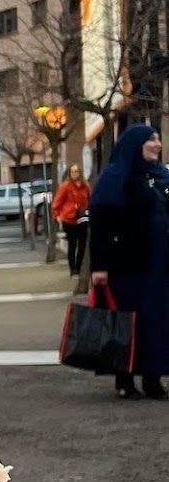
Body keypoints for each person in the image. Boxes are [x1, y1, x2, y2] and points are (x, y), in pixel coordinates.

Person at [88, 124, 169, 401]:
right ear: (135, 145)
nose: (157, 144)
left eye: (158, 139)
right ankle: (124, 379)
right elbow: (99, 225)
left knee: (155, 322)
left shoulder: (158, 177)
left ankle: (153, 378)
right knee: (127, 323)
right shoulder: (115, 178)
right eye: (151, 140)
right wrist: (99, 266)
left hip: (157, 265)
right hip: (128, 266)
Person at [51, 164, 91, 277]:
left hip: (82, 218)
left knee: (82, 243)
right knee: (72, 244)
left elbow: (90, 199)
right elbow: (57, 202)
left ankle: (78, 267)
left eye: (77, 171)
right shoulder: (65, 186)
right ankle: (73, 269)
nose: (75, 174)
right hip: (69, 219)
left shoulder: (85, 186)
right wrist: (57, 216)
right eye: (73, 171)